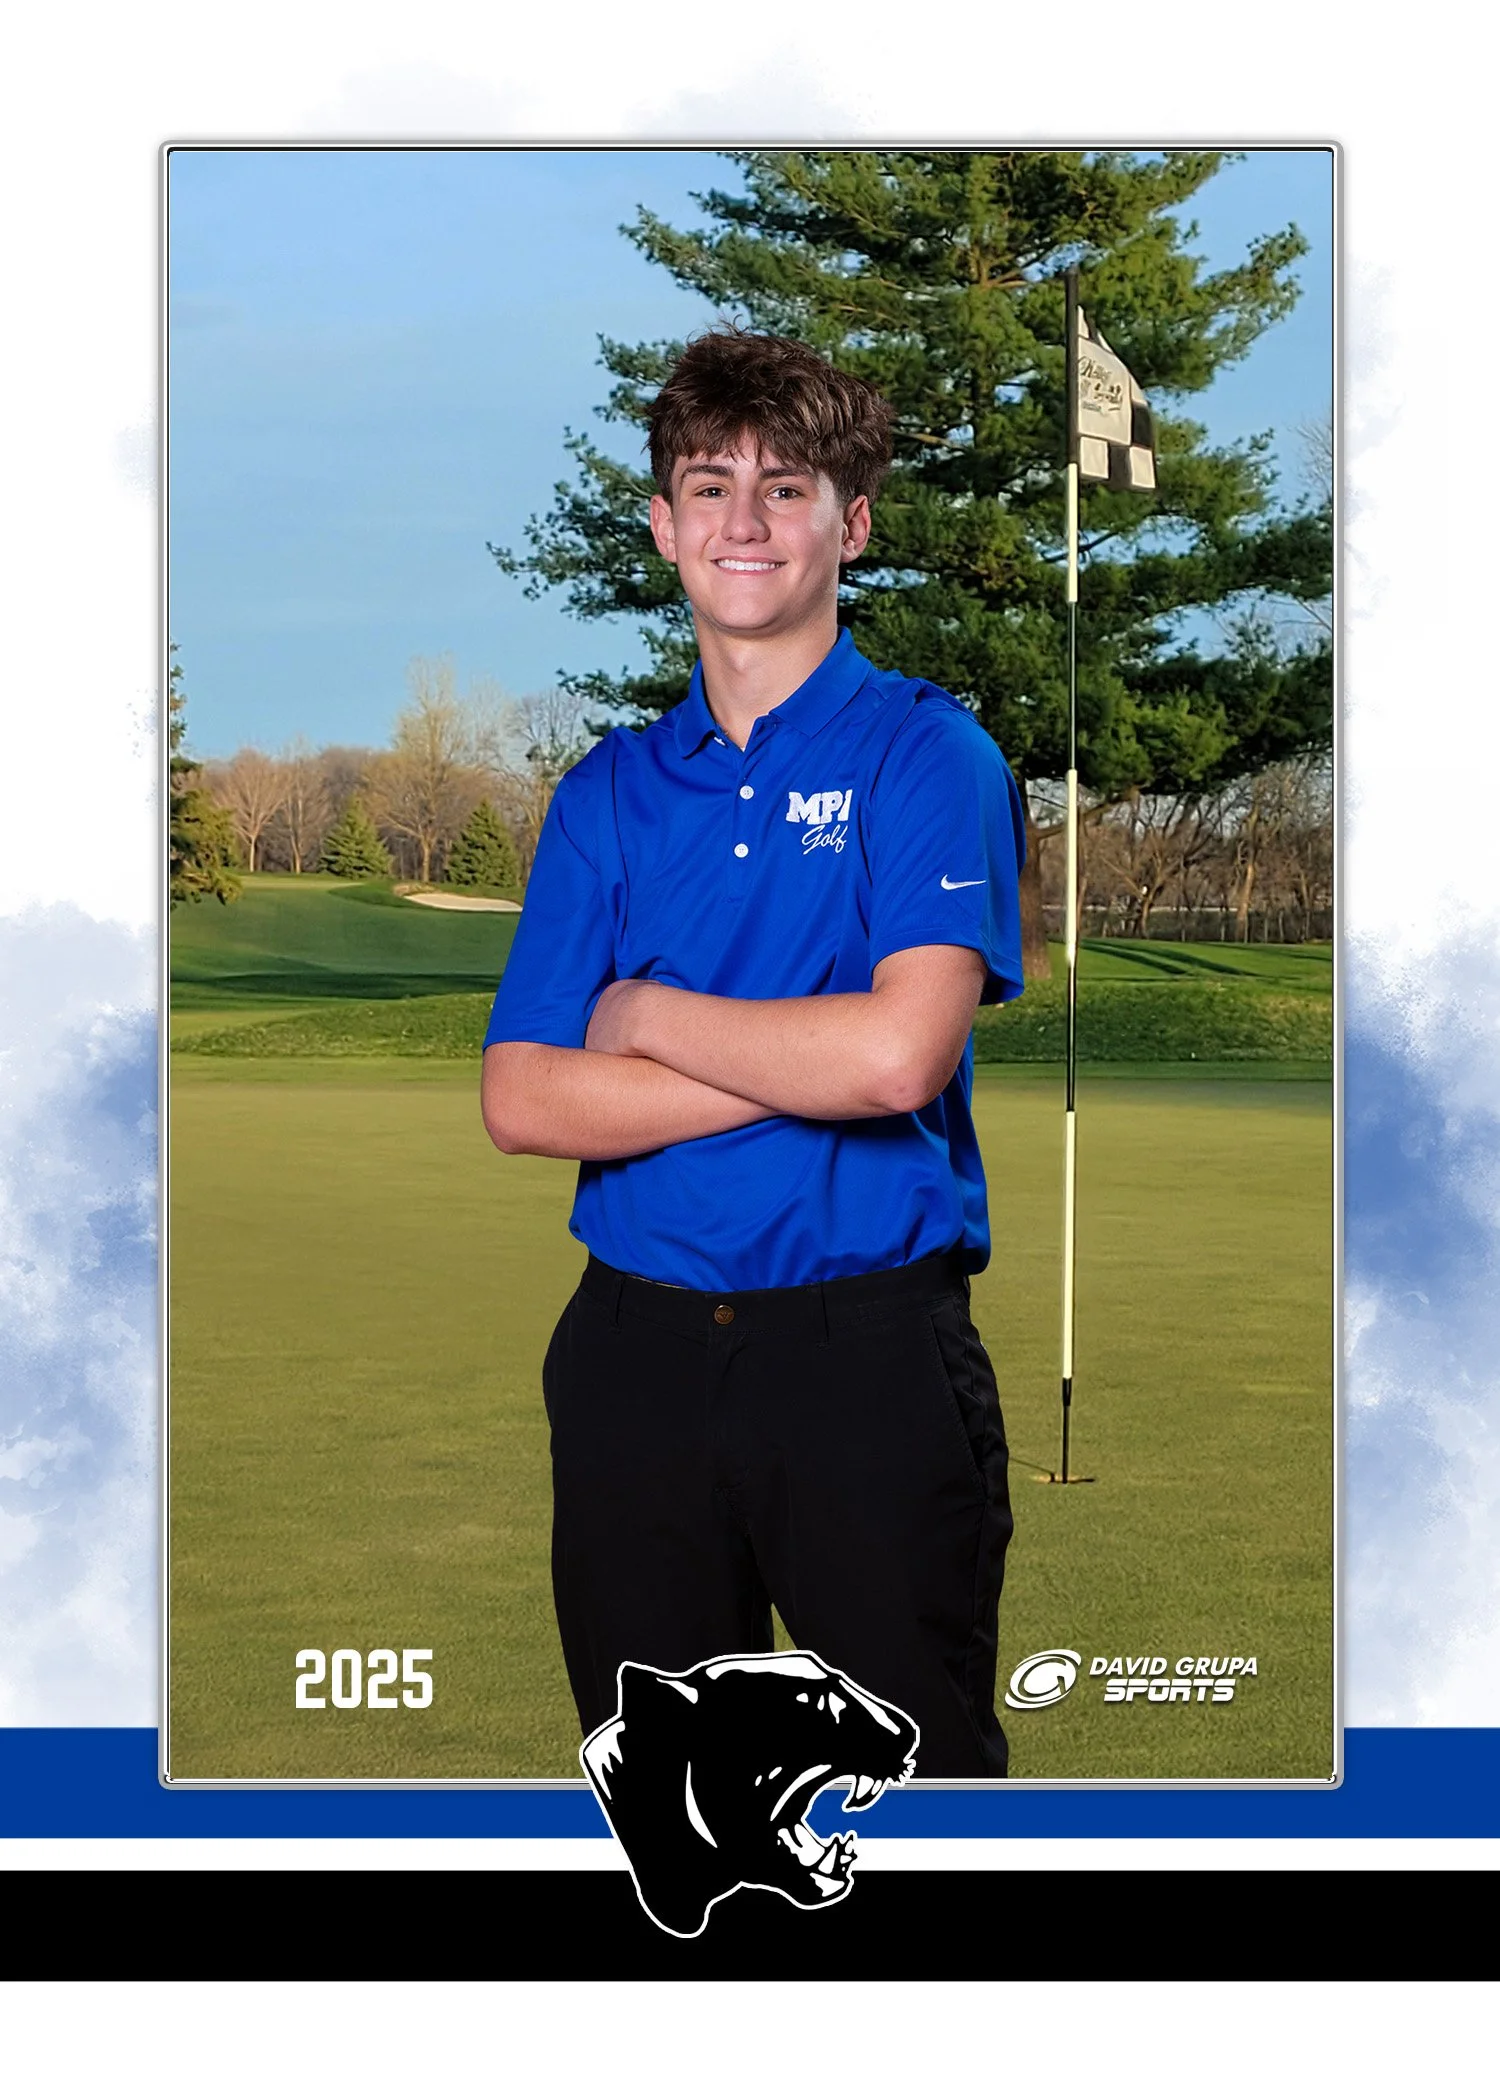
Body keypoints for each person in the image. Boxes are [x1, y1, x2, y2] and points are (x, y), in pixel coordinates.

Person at [481, 328, 1026, 1778]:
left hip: (865, 1359)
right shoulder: (605, 791)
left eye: (785, 489)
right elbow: (524, 1096)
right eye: (708, 486)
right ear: (663, 528)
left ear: (850, 524)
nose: (743, 521)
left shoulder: (929, 756)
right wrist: (808, 1053)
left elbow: (899, 1062)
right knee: (662, 1806)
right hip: (632, 1352)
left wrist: (647, 1018)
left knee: (905, 1797)